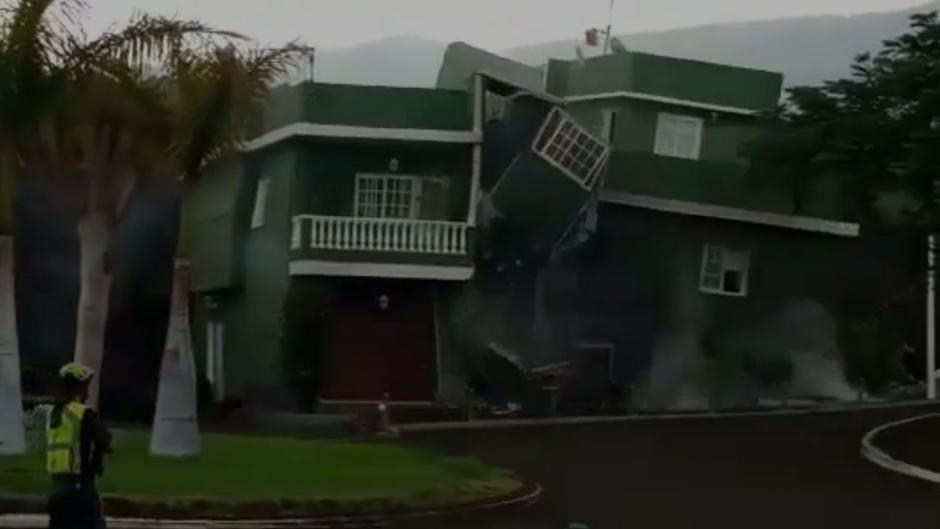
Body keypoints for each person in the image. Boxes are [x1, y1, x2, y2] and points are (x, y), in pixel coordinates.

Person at [46, 362, 112, 529]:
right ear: (80, 388)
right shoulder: (83, 413)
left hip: (56, 487)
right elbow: (104, 440)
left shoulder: (53, 415)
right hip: (80, 487)